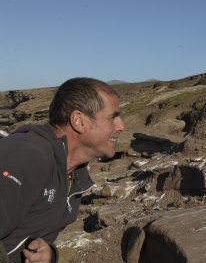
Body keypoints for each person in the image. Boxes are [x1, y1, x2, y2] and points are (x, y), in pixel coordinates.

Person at [0, 77, 125, 262]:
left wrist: (48, 254)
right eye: (112, 117)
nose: (121, 126)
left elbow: (31, 234)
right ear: (79, 121)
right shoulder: (25, 156)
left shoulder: (74, 175)